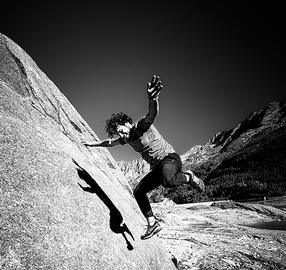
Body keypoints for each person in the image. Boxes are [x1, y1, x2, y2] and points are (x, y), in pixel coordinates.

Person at [84, 75, 205, 240]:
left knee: (168, 180)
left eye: (122, 130)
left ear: (128, 123)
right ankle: (152, 223)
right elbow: (110, 143)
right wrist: (93, 144)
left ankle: (189, 176)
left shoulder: (140, 126)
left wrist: (153, 98)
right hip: (158, 168)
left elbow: (152, 114)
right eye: (118, 133)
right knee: (139, 191)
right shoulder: (126, 139)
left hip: (170, 158)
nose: (121, 135)